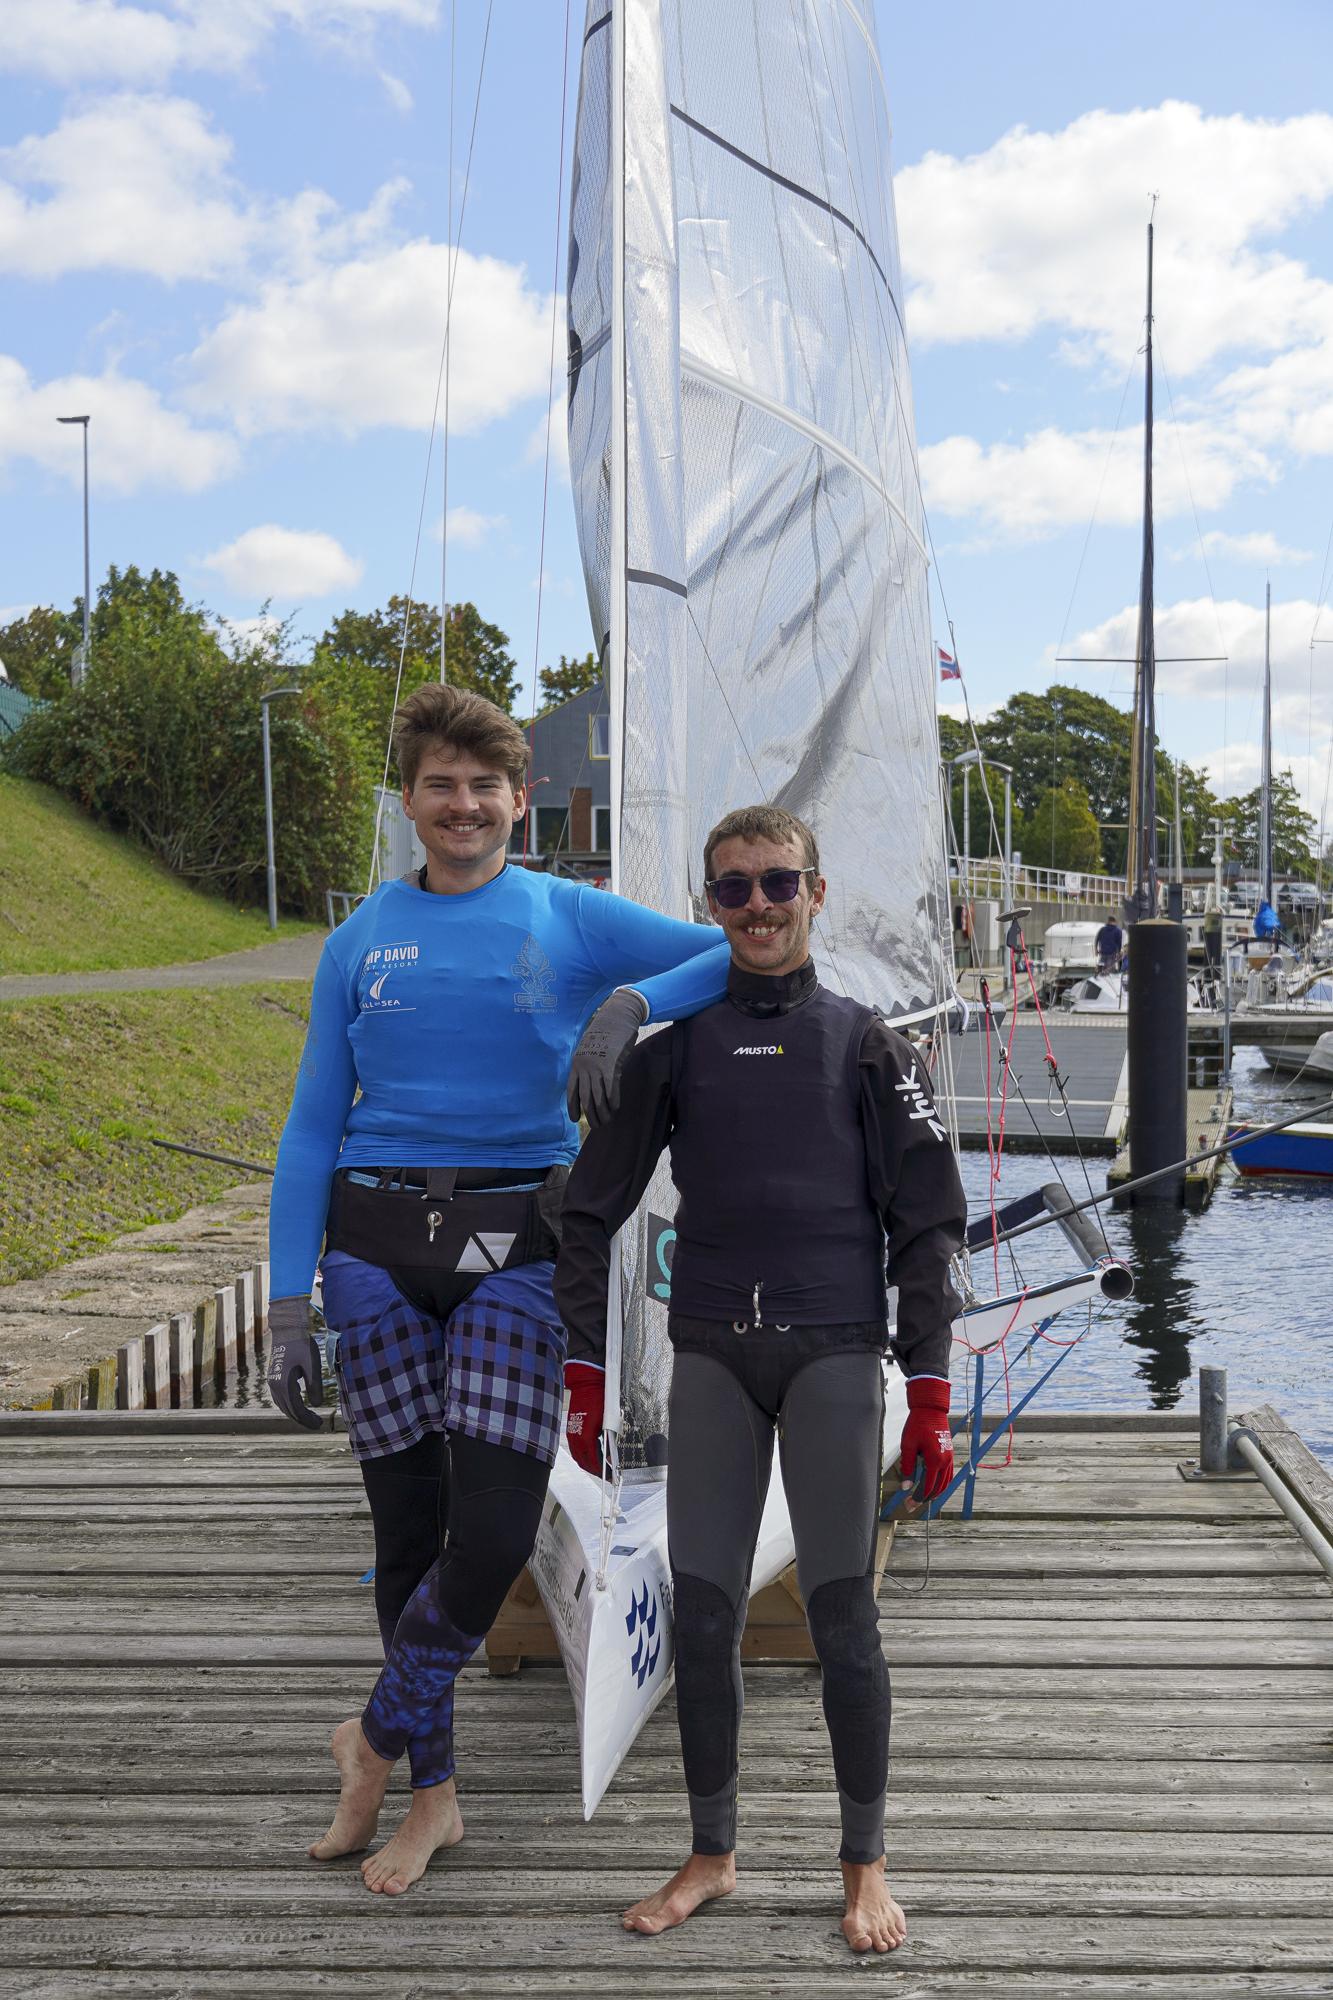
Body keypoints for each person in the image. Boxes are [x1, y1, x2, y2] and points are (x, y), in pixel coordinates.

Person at [266, 681, 731, 1893]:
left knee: (488, 1533)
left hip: (518, 1246)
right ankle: (432, 1794)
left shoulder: (564, 912)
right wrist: (283, 1303)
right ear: (409, 798)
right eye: (440, 784)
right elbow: (312, 1125)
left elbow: (726, 950)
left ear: (521, 801)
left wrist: (628, 1003)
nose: (462, 804)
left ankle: (368, 1735)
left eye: (485, 786)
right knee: (404, 1535)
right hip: (371, 1248)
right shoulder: (358, 940)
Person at [552, 804, 968, 1956]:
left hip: (833, 1352)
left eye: (778, 882)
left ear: (815, 892)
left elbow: (928, 1227)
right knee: (703, 1616)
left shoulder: (867, 1046)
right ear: (711, 904)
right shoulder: (673, 1052)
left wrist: (929, 1390)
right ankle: (712, 1853)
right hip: (713, 1359)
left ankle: (863, 1864)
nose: (757, 906)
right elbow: (585, 1213)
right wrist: (583, 1368)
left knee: (842, 1619)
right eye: (732, 888)